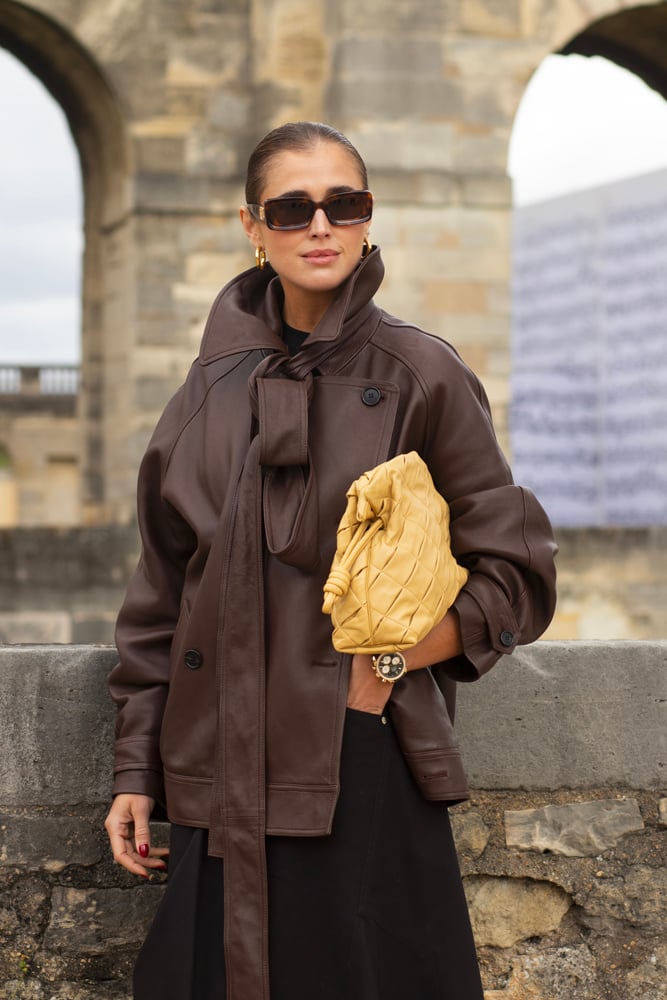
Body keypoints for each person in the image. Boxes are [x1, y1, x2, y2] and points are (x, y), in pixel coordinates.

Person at [105, 120, 557, 1000]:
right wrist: (135, 772)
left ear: (365, 218)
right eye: (293, 207)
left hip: (361, 763)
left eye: (342, 204)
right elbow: (162, 597)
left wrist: (381, 668)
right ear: (253, 226)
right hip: (212, 775)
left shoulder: (422, 372)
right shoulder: (203, 392)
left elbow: (516, 572)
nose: (320, 226)